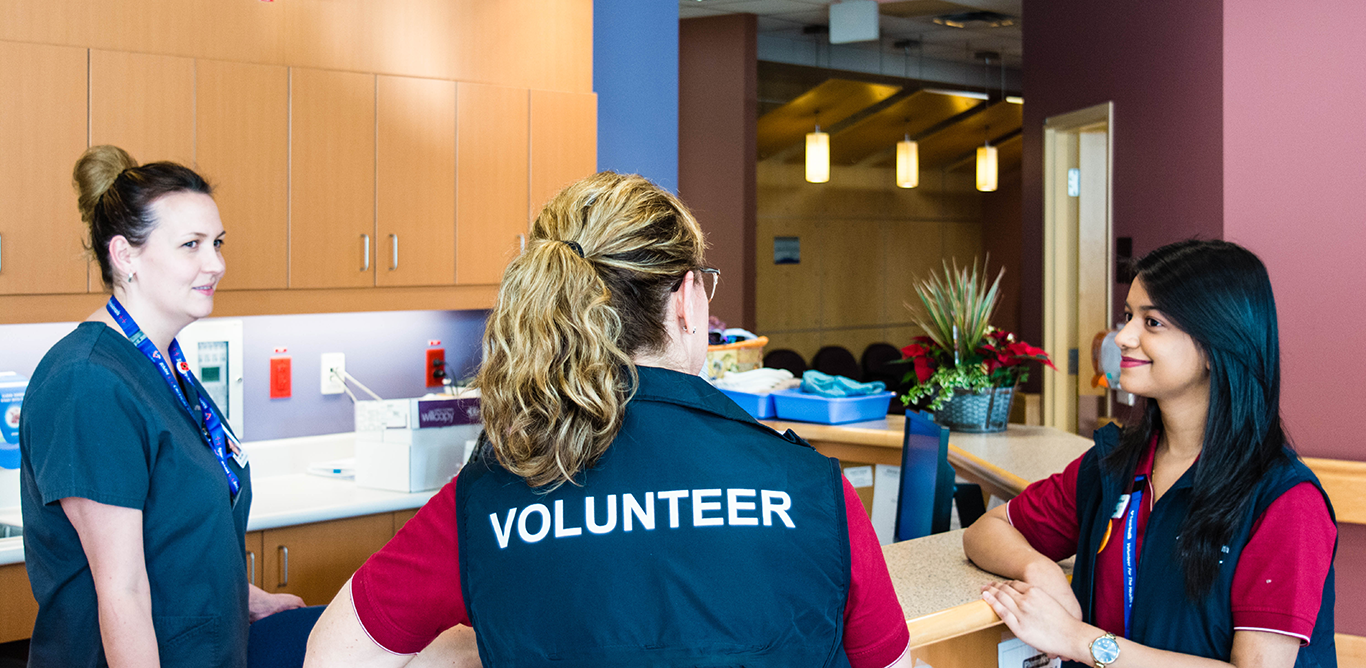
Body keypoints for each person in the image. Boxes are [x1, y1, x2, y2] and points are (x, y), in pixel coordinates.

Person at [303, 172, 913, 667]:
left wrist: (471, 648)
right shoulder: (810, 488)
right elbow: (890, 663)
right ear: (684, 300)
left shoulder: (492, 496)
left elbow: (333, 657)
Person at [963, 239, 1336, 667]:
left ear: (1218, 346)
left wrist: (1079, 639)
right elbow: (985, 531)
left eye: (1152, 322)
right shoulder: (1115, 464)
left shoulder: (1285, 501)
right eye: (1128, 315)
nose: (1122, 337)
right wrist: (1039, 569)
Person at [19, 145, 304, 667]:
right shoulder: (87, 383)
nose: (215, 263)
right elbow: (121, 591)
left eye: (216, 242)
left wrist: (241, 597)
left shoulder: (162, 370)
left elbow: (176, 537)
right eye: (190, 245)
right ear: (125, 255)